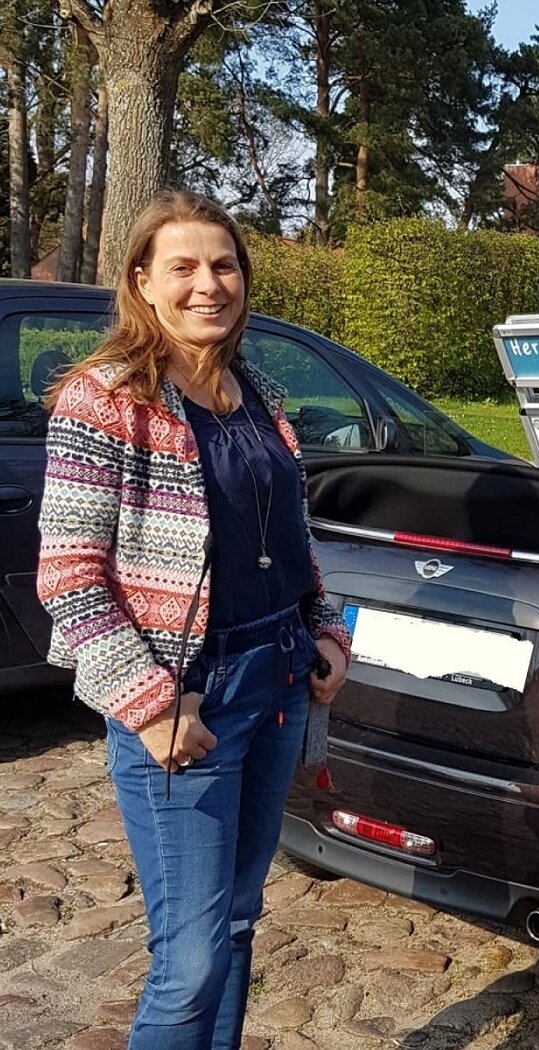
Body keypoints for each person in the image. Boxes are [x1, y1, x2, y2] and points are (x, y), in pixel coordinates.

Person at [37, 191, 351, 1050]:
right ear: (142, 281)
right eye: (183, 266)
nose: (208, 284)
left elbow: (290, 535)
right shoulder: (105, 399)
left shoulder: (257, 394)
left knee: (240, 922)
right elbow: (68, 574)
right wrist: (147, 702)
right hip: (188, 698)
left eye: (224, 264)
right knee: (189, 964)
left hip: (281, 678)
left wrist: (324, 628)